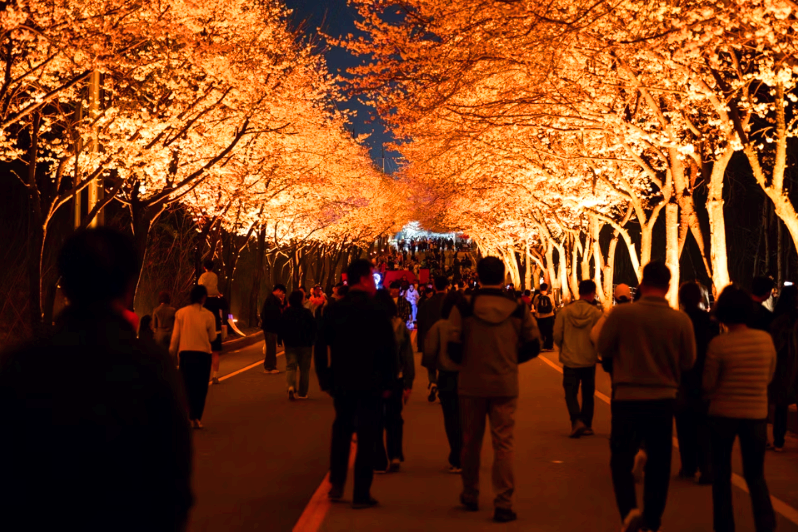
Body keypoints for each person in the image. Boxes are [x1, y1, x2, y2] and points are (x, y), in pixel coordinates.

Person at [0, 229, 193, 531]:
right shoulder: (151, 366)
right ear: (130, 284)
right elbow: (171, 479)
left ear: (63, 283)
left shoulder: (18, 364)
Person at [596, 261, 696, 532]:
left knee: (621, 456)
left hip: (626, 397)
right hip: (663, 400)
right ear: (668, 287)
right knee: (660, 461)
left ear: (641, 284)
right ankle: (652, 520)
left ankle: (629, 512)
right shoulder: (680, 320)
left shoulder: (622, 315)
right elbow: (688, 361)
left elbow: (603, 346)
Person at [448, 256, 540, 523]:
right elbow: (534, 345)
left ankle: (470, 493)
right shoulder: (518, 308)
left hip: (471, 384)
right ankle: (503, 502)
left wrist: (468, 362)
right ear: (502, 277)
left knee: (470, 443)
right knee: (504, 445)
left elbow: (452, 346)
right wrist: (511, 360)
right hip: (505, 383)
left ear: (478, 275)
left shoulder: (464, 305)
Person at [315, 259, 397, 509]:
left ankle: (337, 484)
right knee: (367, 435)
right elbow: (389, 350)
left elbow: (320, 346)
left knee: (341, 431)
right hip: (371, 382)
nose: (375, 282)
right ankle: (361, 493)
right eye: (373, 277)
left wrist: (324, 378)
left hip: (341, 379)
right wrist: (389, 382)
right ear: (363, 279)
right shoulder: (377, 310)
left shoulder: (334, 310)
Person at [704, 285, 777, 532]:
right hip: (756, 415)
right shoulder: (765, 340)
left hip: (722, 416)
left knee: (721, 476)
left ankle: (724, 527)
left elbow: (708, 384)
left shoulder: (719, 344)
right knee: (756, 476)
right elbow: (768, 377)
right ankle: (766, 526)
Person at [676, 281, 719, 484]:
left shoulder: (678, 320)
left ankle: (688, 466)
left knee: (685, 425)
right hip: (704, 376)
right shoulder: (709, 321)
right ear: (701, 298)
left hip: (683, 378)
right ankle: (707, 467)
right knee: (704, 426)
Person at [373, 289, 415, 473]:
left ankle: (379, 459)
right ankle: (395, 454)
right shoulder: (399, 326)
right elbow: (408, 358)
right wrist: (408, 383)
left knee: (374, 419)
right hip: (395, 378)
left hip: (372, 379)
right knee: (394, 418)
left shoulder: (367, 325)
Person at [553, 279, 603, 438]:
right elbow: (599, 336)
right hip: (588, 359)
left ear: (579, 292)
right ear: (592, 293)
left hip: (569, 359)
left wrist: (563, 346)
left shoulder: (565, 312)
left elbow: (556, 335)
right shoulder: (596, 314)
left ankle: (576, 420)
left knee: (570, 392)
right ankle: (587, 424)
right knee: (588, 394)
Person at [424, 289, 465, 473]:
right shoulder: (470, 324)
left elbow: (430, 354)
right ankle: (467, 455)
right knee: (468, 419)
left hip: (447, 377)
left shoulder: (439, 327)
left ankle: (456, 456)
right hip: (469, 378)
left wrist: (432, 378)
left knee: (451, 418)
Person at [171, 284, 217, 429]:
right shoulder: (209, 315)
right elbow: (212, 337)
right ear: (203, 297)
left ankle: (187, 415)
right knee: (201, 388)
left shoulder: (180, 313)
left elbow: (175, 337)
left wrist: (171, 352)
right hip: (203, 355)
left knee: (186, 387)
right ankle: (196, 417)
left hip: (185, 354)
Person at [768, 285, 798, 452]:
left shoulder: (778, 319)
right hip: (791, 366)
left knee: (781, 405)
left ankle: (779, 441)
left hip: (784, 367)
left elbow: (775, 343)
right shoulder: (790, 319)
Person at [280, 290, 317, 400]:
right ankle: (302, 393)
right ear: (301, 300)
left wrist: (283, 339)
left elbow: (282, 327)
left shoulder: (287, 313)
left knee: (291, 366)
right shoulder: (306, 313)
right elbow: (314, 327)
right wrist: (312, 340)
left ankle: (291, 386)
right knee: (304, 369)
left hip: (290, 343)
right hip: (305, 344)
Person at [417, 276, 449, 402]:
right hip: (447, 338)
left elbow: (420, 322)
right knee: (444, 365)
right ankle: (442, 388)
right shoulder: (451, 302)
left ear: (434, 286)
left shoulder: (427, 304)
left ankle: (433, 382)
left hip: (430, 337)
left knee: (431, 364)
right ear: (447, 286)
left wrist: (421, 342)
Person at [203, 286, 228, 385]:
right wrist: (220, 295)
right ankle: (215, 376)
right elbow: (225, 305)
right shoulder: (216, 300)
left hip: (203, 329)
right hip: (216, 328)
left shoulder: (202, 300)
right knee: (215, 353)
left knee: (204, 353)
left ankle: (204, 375)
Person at [261, 284, 286, 374]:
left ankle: (270, 366)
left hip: (270, 326)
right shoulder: (272, 300)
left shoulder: (272, 299)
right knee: (271, 347)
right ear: (278, 290)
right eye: (282, 293)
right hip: (270, 327)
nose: (282, 295)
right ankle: (269, 367)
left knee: (271, 347)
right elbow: (272, 314)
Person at [532, 283, 555, 351]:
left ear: (540, 288)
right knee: (549, 331)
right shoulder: (550, 296)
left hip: (539, 316)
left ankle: (541, 345)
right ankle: (549, 346)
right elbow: (553, 305)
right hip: (549, 316)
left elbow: (535, 304)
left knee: (540, 331)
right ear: (546, 288)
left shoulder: (537, 296)